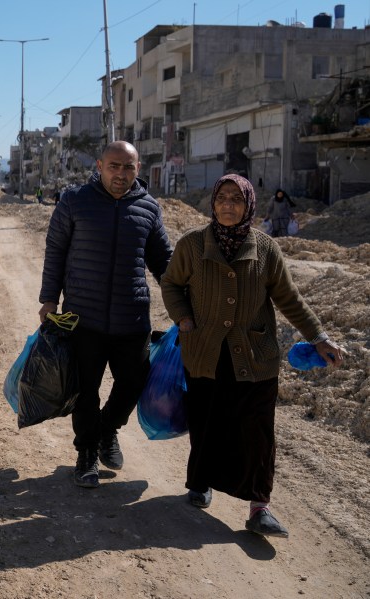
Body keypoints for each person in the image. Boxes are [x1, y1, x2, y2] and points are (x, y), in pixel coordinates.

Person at [160, 173, 344, 538]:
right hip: (205, 352)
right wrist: (183, 317)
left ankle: (260, 507)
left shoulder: (265, 248)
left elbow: (289, 298)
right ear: (212, 203)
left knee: (258, 432)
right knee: (208, 422)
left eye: (236, 199)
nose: (228, 204)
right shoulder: (193, 244)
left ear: (249, 205)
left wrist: (319, 337)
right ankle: (201, 482)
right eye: (222, 198)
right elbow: (171, 284)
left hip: (256, 358)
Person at [38, 141, 172, 488]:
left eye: (128, 167)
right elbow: (55, 251)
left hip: (133, 319)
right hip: (85, 317)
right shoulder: (74, 202)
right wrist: (49, 299)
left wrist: (186, 305)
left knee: (132, 384)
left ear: (138, 169)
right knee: (85, 390)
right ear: (99, 166)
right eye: (114, 166)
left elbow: (164, 264)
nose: (121, 174)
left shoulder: (148, 208)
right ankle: (86, 454)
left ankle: (107, 431)